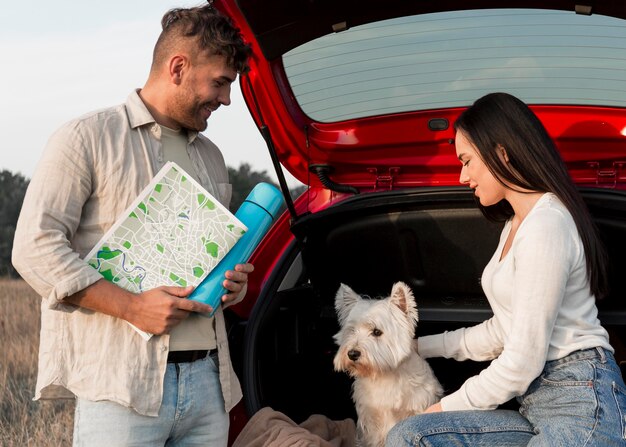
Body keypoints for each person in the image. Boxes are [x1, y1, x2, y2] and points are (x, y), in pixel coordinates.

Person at [12, 5, 253, 446]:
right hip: (121, 389)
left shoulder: (213, 157)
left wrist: (231, 283)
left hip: (208, 384)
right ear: (178, 67)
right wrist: (131, 306)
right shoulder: (86, 137)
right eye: (220, 82)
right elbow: (34, 247)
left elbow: (211, 258)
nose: (226, 99)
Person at [386, 92, 626, 446]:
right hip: (535, 404)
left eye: (467, 161)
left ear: (501, 153)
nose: (461, 175)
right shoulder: (516, 224)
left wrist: (443, 408)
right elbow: (502, 331)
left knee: (426, 426)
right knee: (410, 437)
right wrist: (417, 347)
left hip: (581, 400)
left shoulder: (547, 225)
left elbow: (522, 360)